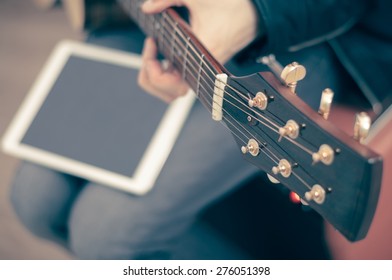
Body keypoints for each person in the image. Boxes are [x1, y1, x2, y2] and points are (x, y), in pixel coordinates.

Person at [10, 0, 392, 259]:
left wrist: (255, 11)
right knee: (34, 199)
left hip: (285, 39)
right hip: (136, 21)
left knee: (107, 235)